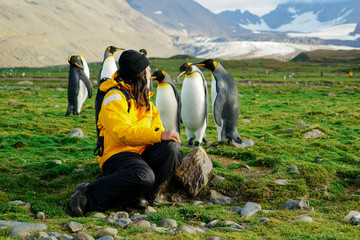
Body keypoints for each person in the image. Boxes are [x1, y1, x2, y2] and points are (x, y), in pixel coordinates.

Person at [70, 50, 183, 216]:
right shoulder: (114, 97)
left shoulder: (144, 98)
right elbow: (122, 134)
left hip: (140, 153)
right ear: (139, 75)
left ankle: (142, 197)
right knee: (144, 175)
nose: (150, 74)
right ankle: (87, 194)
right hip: (118, 155)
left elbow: (156, 128)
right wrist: (159, 135)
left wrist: (166, 137)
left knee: (172, 149)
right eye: (148, 71)